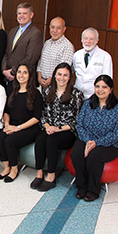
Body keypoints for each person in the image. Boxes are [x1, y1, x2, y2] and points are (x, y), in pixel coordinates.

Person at [71, 75, 118, 202]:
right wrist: (88, 141)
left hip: (109, 143)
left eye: (104, 87)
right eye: (97, 86)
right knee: (76, 154)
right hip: (87, 138)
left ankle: (93, 190)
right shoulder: (87, 104)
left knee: (94, 156)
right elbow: (80, 125)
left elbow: (117, 133)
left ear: (111, 89)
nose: (100, 90)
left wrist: (97, 143)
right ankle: (82, 185)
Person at [31, 63, 84, 191]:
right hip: (49, 127)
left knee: (51, 140)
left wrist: (58, 129)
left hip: (67, 131)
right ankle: (39, 173)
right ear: (54, 75)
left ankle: (51, 176)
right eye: (59, 74)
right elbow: (42, 114)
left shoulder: (76, 94)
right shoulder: (48, 91)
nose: (62, 77)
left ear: (70, 77)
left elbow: (77, 121)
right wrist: (48, 126)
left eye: (65, 75)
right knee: (40, 138)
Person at [0, 62, 43, 183]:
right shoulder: (12, 90)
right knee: (1, 137)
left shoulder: (35, 93)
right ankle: (6, 168)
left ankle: (14, 169)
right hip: (13, 125)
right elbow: (6, 112)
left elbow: (37, 117)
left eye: (25, 72)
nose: (21, 75)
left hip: (30, 128)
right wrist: (7, 125)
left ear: (30, 75)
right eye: (19, 72)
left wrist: (18, 128)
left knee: (10, 141)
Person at [1, 3, 43, 93]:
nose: (21, 16)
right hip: (9, 79)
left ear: (31, 15)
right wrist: (4, 70)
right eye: (19, 13)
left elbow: (30, 58)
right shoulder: (13, 31)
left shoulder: (35, 33)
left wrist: (13, 72)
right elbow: (7, 53)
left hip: (23, 80)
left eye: (24, 13)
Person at [72, 27, 113, 99]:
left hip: (95, 96)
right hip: (77, 95)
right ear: (81, 39)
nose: (88, 41)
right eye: (85, 38)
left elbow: (107, 80)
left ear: (97, 40)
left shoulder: (105, 56)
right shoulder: (76, 55)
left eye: (91, 39)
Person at [37, 17, 75, 89]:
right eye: (52, 27)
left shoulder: (67, 46)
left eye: (58, 28)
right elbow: (40, 62)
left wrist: (51, 79)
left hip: (57, 86)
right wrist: (39, 78)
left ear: (64, 29)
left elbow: (64, 69)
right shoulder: (47, 43)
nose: (54, 30)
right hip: (42, 85)